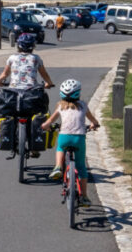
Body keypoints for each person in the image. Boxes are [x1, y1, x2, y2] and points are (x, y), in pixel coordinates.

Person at [43, 78, 100, 207]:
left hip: (64, 136)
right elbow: (93, 121)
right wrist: (94, 125)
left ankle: (58, 166)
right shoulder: (83, 105)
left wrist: (44, 126)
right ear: (78, 93)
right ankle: (84, 196)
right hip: (79, 138)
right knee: (81, 167)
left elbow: (49, 122)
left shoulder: (60, 106)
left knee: (60, 148)